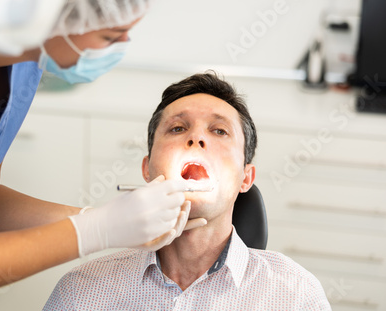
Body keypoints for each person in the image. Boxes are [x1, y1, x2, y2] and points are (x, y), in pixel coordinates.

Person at [0, 1, 205, 310]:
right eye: (109, 36)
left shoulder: (27, 56)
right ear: (46, 14)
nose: (122, 45)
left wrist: (94, 217)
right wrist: (97, 230)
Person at [45, 72, 332, 310]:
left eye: (219, 131)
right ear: (147, 169)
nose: (196, 138)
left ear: (246, 177)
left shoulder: (296, 295)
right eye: (178, 128)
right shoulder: (81, 292)